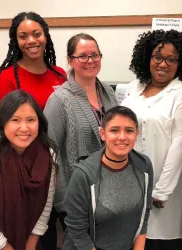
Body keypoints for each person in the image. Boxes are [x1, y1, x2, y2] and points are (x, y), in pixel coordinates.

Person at [121, 29, 182, 249]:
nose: (163, 64)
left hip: (164, 190)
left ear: (180, 63)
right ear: (147, 57)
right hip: (129, 183)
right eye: (157, 57)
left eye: (171, 59)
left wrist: (161, 190)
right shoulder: (133, 88)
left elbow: (179, 145)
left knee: (159, 241)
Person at [43, 33, 117, 219]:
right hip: (77, 197)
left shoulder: (108, 92)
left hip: (111, 192)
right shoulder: (59, 100)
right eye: (82, 56)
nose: (90, 60)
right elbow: (49, 154)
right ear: (70, 60)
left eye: (95, 55)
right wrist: (62, 200)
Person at [63, 106, 153, 250]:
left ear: (137, 134)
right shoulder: (84, 174)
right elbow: (76, 228)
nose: (122, 137)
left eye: (129, 131)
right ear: (102, 134)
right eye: (114, 130)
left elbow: (145, 213)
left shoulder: (144, 166)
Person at [0, 90, 57, 250]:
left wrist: (31, 243)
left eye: (31, 120)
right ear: (2, 123)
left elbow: (46, 203)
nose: (24, 128)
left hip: (30, 240)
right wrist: (5, 247)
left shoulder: (48, 155)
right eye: (15, 120)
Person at [0, 12, 66, 130]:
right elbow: (6, 126)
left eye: (37, 34)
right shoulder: (7, 78)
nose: (31, 40)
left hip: (59, 145)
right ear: (16, 41)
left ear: (46, 36)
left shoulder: (60, 74)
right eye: (23, 36)